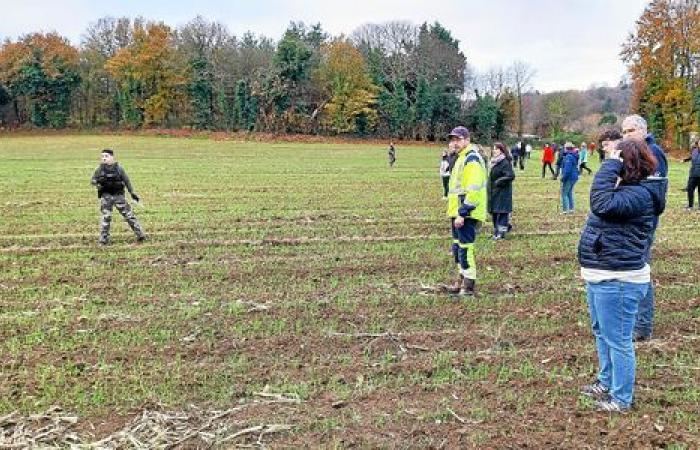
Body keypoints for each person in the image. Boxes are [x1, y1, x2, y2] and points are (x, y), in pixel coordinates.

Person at [578, 137, 667, 412]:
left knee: (618, 340)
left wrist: (610, 166)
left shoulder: (639, 195)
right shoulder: (629, 190)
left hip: (618, 280)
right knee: (602, 332)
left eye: (615, 158)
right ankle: (606, 381)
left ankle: (621, 398)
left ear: (626, 164)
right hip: (601, 275)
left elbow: (600, 203)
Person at [621, 114, 668, 342]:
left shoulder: (653, 151)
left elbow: (656, 194)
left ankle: (643, 326)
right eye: (623, 131)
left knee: (641, 271)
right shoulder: (632, 152)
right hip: (632, 221)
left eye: (630, 131)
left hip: (643, 223)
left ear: (642, 130)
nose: (625, 135)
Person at [444, 126, 487, 296]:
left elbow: (474, 190)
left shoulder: (471, 159)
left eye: (458, 139)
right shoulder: (461, 158)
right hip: (457, 212)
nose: (455, 142)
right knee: (457, 248)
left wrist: (463, 213)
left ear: (467, 140)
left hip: (467, 213)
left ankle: (468, 286)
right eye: (453, 139)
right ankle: (461, 280)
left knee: (465, 248)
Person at [90, 149, 147, 245]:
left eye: (106, 156)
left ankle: (140, 235)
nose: (104, 158)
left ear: (112, 157)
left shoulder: (119, 168)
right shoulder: (99, 169)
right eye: (102, 156)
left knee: (129, 216)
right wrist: (98, 184)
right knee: (106, 218)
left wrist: (132, 193)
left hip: (119, 196)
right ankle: (103, 240)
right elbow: (92, 180)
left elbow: (127, 181)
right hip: (106, 197)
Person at [488, 143, 515, 240]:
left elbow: (511, 175)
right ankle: (496, 232)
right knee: (495, 213)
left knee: (502, 213)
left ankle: (501, 234)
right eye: (493, 149)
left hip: (503, 192)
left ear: (502, 150)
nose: (494, 151)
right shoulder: (493, 162)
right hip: (494, 192)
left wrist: (499, 182)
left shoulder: (504, 162)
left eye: (496, 149)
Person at [560, 142, 579, 213]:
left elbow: (567, 170)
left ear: (566, 148)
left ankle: (565, 210)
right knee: (569, 192)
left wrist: (563, 178)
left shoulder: (568, 157)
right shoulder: (573, 155)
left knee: (564, 193)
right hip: (574, 177)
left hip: (569, 177)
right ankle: (571, 209)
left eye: (564, 148)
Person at [683, 140, 700, 210]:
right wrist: (685, 160)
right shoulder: (694, 150)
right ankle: (690, 205)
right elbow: (691, 157)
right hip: (693, 174)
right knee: (690, 189)